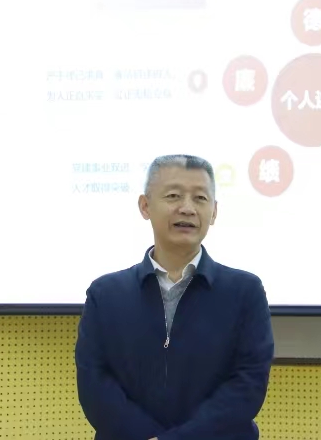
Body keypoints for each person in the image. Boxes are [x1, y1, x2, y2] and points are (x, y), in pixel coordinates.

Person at [75, 154, 274, 440]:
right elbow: (95, 383)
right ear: (145, 206)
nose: (187, 208)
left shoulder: (245, 291)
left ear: (214, 212)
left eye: (200, 198)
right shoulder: (105, 294)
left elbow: (248, 385)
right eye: (173, 196)